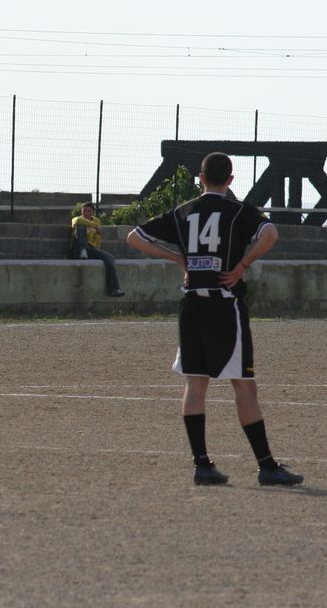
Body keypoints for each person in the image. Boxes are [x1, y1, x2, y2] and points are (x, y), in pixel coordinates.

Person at [126, 153, 303, 487]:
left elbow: (134, 237)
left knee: (195, 384)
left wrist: (178, 258)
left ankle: (202, 465)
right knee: (244, 385)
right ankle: (266, 466)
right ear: (231, 180)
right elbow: (270, 234)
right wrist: (242, 266)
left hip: (192, 305)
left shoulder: (183, 212)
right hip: (224, 306)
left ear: (201, 178)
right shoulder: (238, 212)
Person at [70, 202, 124, 297]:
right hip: (77, 248)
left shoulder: (96, 220)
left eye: (89, 211)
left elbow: (98, 237)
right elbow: (77, 221)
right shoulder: (77, 219)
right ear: (81, 211)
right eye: (84, 211)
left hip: (90, 249)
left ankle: (114, 289)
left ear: (93, 212)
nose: (86, 213)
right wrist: (94, 225)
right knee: (81, 226)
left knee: (110, 258)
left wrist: (97, 251)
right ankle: (83, 250)